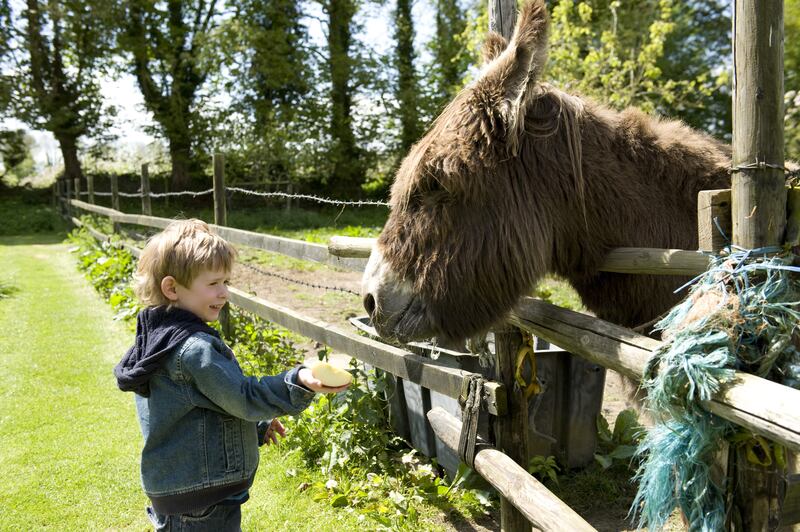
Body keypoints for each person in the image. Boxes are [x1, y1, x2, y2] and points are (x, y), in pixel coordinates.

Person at [113, 218, 348, 531]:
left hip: (185, 491)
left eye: (226, 282)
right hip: (202, 504)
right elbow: (243, 397)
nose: (224, 293)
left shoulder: (159, 337)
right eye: (213, 283)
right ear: (172, 288)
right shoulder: (194, 349)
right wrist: (296, 381)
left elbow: (194, 409)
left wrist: (254, 428)